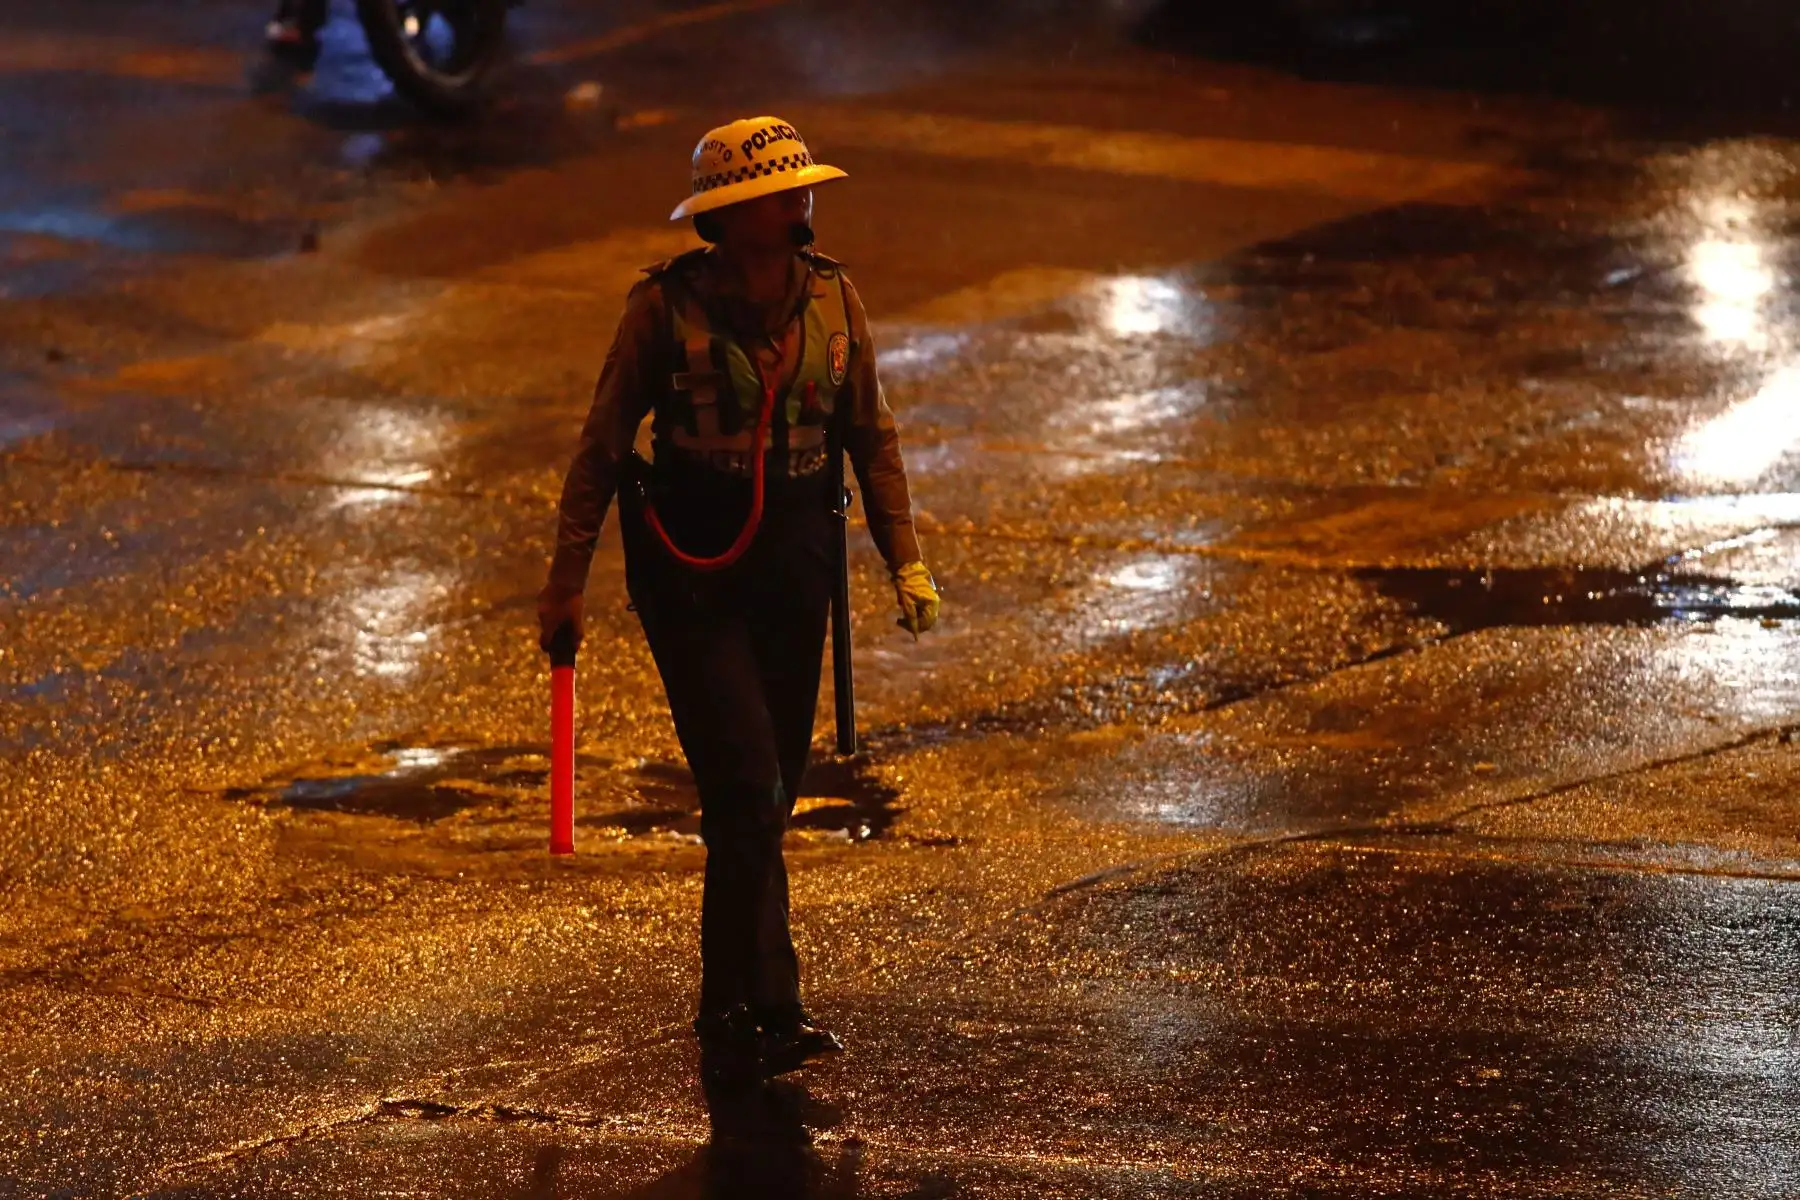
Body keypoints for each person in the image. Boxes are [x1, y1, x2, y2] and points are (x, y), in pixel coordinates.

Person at [537, 117, 941, 1082]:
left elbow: (870, 438)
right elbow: (599, 448)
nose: (803, 197)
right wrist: (566, 584)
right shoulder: (661, 310)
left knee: (764, 794)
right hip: (693, 566)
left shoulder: (836, 299)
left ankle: (729, 1002)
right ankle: (773, 1001)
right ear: (729, 215)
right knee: (747, 781)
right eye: (781, 187)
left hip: (796, 562)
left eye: (803, 183)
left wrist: (906, 560)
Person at [263, 0, 328, 69]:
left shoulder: (318, 2)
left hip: (305, 43)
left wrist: (299, 32)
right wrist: (276, 28)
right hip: (282, 42)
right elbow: (280, 16)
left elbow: (319, 21)